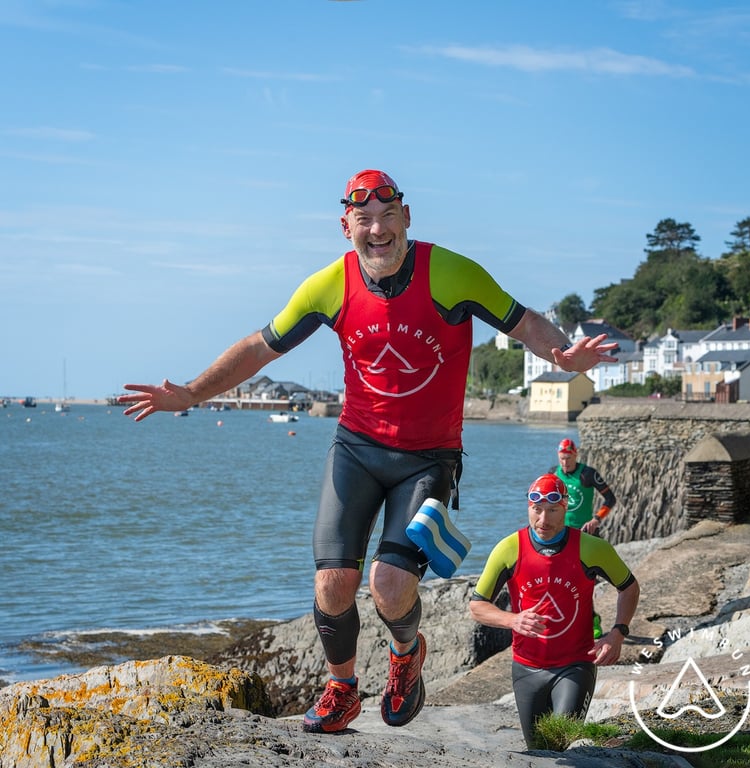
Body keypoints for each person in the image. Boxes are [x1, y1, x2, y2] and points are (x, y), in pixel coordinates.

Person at [117, 169, 618, 734]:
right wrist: (191, 394)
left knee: (389, 585)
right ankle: (342, 689)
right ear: (346, 226)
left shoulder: (451, 274)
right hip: (356, 448)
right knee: (333, 584)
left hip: (429, 457)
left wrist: (562, 356)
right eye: (364, 220)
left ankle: (406, 653)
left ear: (407, 218)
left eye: (388, 217)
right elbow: (261, 348)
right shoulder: (329, 286)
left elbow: (522, 322)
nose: (377, 230)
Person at [469, 473, 639, 749]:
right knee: (538, 751)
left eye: (552, 510)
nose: (543, 520)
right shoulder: (509, 549)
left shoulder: (591, 548)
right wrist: (513, 619)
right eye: (537, 510)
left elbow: (629, 588)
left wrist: (617, 633)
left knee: (561, 744)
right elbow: (477, 606)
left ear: (565, 508)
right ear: (528, 507)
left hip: (575, 665)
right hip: (526, 667)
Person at [551, 437, 617, 638]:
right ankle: (566, 620)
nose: (565, 463)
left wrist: (597, 519)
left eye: (568, 458)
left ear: (575, 456)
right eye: (562, 459)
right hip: (561, 535)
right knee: (560, 580)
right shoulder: (553, 474)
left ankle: (593, 620)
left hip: (585, 534)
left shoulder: (587, 474)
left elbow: (610, 498)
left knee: (584, 580)